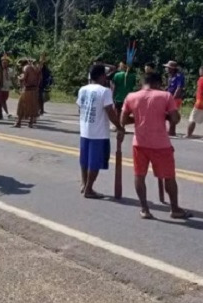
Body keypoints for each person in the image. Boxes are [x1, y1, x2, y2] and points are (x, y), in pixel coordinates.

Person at [121, 72, 190, 220]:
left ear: (143, 82)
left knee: (139, 176)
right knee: (169, 177)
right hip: (161, 144)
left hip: (139, 143)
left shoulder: (131, 97)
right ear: (157, 83)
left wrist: (140, 118)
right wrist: (166, 116)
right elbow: (174, 119)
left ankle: (145, 209)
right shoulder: (165, 96)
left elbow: (123, 120)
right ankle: (175, 208)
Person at [77, 65, 125, 199]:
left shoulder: (83, 89)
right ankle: (89, 189)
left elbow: (80, 108)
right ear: (101, 76)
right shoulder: (105, 91)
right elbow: (110, 111)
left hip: (85, 130)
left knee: (85, 159)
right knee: (95, 161)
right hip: (98, 133)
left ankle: (84, 184)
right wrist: (119, 126)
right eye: (105, 75)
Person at [14, 57, 42, 128]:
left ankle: (18, 122)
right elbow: (39, 79)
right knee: (33, 106)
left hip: (27, 90)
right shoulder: (38, 69)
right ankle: (30, 123)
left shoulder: (26, 68)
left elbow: (24, 78)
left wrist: (18, 77)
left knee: (21, 105)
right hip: (34, 90)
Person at [164, 61, 185, 136]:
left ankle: (172, 131)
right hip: (169, 97)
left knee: (172, 114)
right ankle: (169, 130)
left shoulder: (178, 76)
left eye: (168, 67)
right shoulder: (170, 76)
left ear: (172, 68)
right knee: (167, 114)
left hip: (175, 98)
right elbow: (169, 87)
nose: (166, 69)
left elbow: (179, 88)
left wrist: (173, 98)